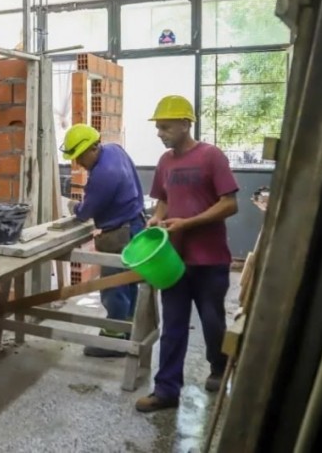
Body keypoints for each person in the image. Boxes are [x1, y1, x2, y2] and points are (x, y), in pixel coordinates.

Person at [135, 95, 239, 413]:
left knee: (212, 321)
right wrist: (156, 217)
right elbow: (163, 200)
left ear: (185, 124)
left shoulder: (212, 156)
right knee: (174, 326)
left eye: (165, 126)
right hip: (174, 261)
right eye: (158, 127)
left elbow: (229, 203)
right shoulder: (166, 162)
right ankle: (166, 390)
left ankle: (219, 367)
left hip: (210, 260)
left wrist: (188, 223)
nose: (160, 133)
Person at [61, 124, 146, 358]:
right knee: (129, 282)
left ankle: (113, 340)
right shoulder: (115, 150)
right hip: (136, 224)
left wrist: (72, 206)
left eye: (78, 157)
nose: (77, 164)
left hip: (119, 233)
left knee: (113, 285)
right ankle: (127, 329)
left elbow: (85, 212)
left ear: (92, 148)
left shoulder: (103, 174)